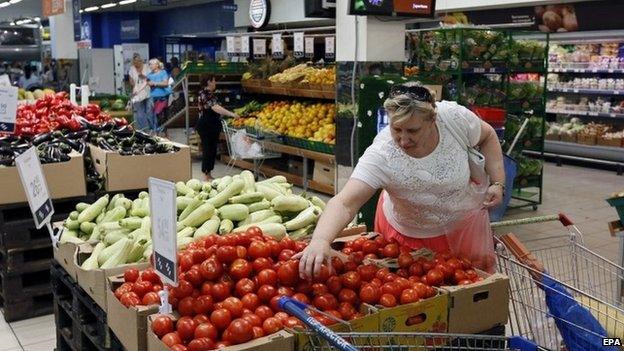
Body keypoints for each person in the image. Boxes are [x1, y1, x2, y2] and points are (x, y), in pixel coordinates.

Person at [296, 83, 505, 278]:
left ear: (432, 119)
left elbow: (488, 137)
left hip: (464, 227)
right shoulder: (383, 153)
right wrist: (321, 240)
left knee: (471, 284)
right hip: (408, 234)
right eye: (396, 129)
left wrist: (498, 182)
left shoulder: (453, 119)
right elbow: (345, 202)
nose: (403, 140)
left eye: (413, 130)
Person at [196, 75, 239, 181]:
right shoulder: (205, 94)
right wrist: (231, 114)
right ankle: (206, 174)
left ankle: (209, 172)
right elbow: (215, 107)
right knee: (208, 149)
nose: (215, 83)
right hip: (206, 125)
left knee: (212, 149)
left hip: (212, 124)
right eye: (214, 81)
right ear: (209, 82)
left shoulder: (209, 94)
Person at [146, 58, 171, 134]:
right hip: (151, 97)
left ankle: (161, 131)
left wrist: (154, 83)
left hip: (162, 97)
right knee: (149, 114)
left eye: (151, 64)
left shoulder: (163, 72)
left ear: (157, 65)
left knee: (159, 115)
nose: (149, 66)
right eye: (149, 64)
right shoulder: (149, 75)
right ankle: (154, 129)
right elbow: (148, 84)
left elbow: (166, 83)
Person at [128, 54, 152, 132]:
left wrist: (143, 76)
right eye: (134, 62)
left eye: (138, 62)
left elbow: (151, 78)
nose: (136, 64)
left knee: (149, 111)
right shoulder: (132, 69)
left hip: (147, 92)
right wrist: (133, 84)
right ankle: (144, 129)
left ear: (141, 61)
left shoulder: (147, 67)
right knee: (140, 112)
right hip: (137, 93)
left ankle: (151, 127)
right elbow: (130, 80)